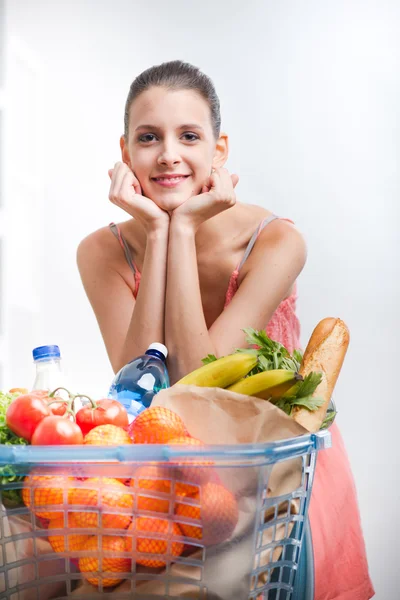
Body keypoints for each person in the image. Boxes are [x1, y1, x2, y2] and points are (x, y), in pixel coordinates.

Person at [77, 60, 374, 599]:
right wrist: (160, 234)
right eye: (149, 137)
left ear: (219, 150)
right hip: (170, 480)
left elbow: (200, 383)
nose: (168, 153)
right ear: (125, 153)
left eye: (189, 135)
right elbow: (137, 382)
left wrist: (183, 228)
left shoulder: (276, 240)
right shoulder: (102, 252)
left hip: (275, 473)